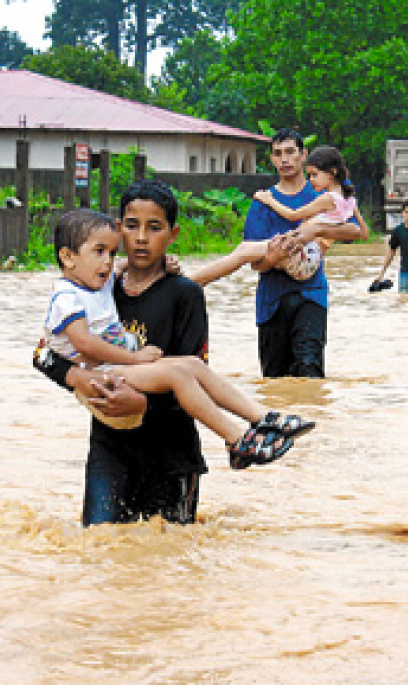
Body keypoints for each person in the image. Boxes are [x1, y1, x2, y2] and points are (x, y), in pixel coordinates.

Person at [32, 180, 304, 526]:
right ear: (118, 231)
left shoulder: (185, 295)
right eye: (131, 227)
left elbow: (197, 379)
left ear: (172, 234)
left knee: (171, 558)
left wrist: (142, 404)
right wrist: (83, 379)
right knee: (100, 556)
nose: (141, 238)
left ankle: (250, 428)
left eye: (154, 228)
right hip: (110, 450)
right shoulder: (98, 285)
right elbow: (46, 354)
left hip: (172, 456)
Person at [237, 129, 369, 378]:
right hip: (271, 300)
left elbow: (355, 231)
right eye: (278, 154)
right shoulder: (261, 203)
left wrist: (319, 233)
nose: (284, 159)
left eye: (290, 152)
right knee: (274, 378)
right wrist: (275, 259)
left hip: (312, 294)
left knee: (309, 369)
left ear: (303, 155)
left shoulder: (323, 193)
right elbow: (254, 263)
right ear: (272, 160)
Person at [191, 145, 369, 286]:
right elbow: (364, 233)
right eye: (310, 175)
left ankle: (194, 281)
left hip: (305, 255)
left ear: (332, 173)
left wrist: (268, 200)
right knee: (249, 253)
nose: (312, 180)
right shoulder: (349, 200)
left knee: (244, 250)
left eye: (315, 175)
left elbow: (293, 216)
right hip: (310, 260)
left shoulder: (327, 198)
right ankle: (199, 281)